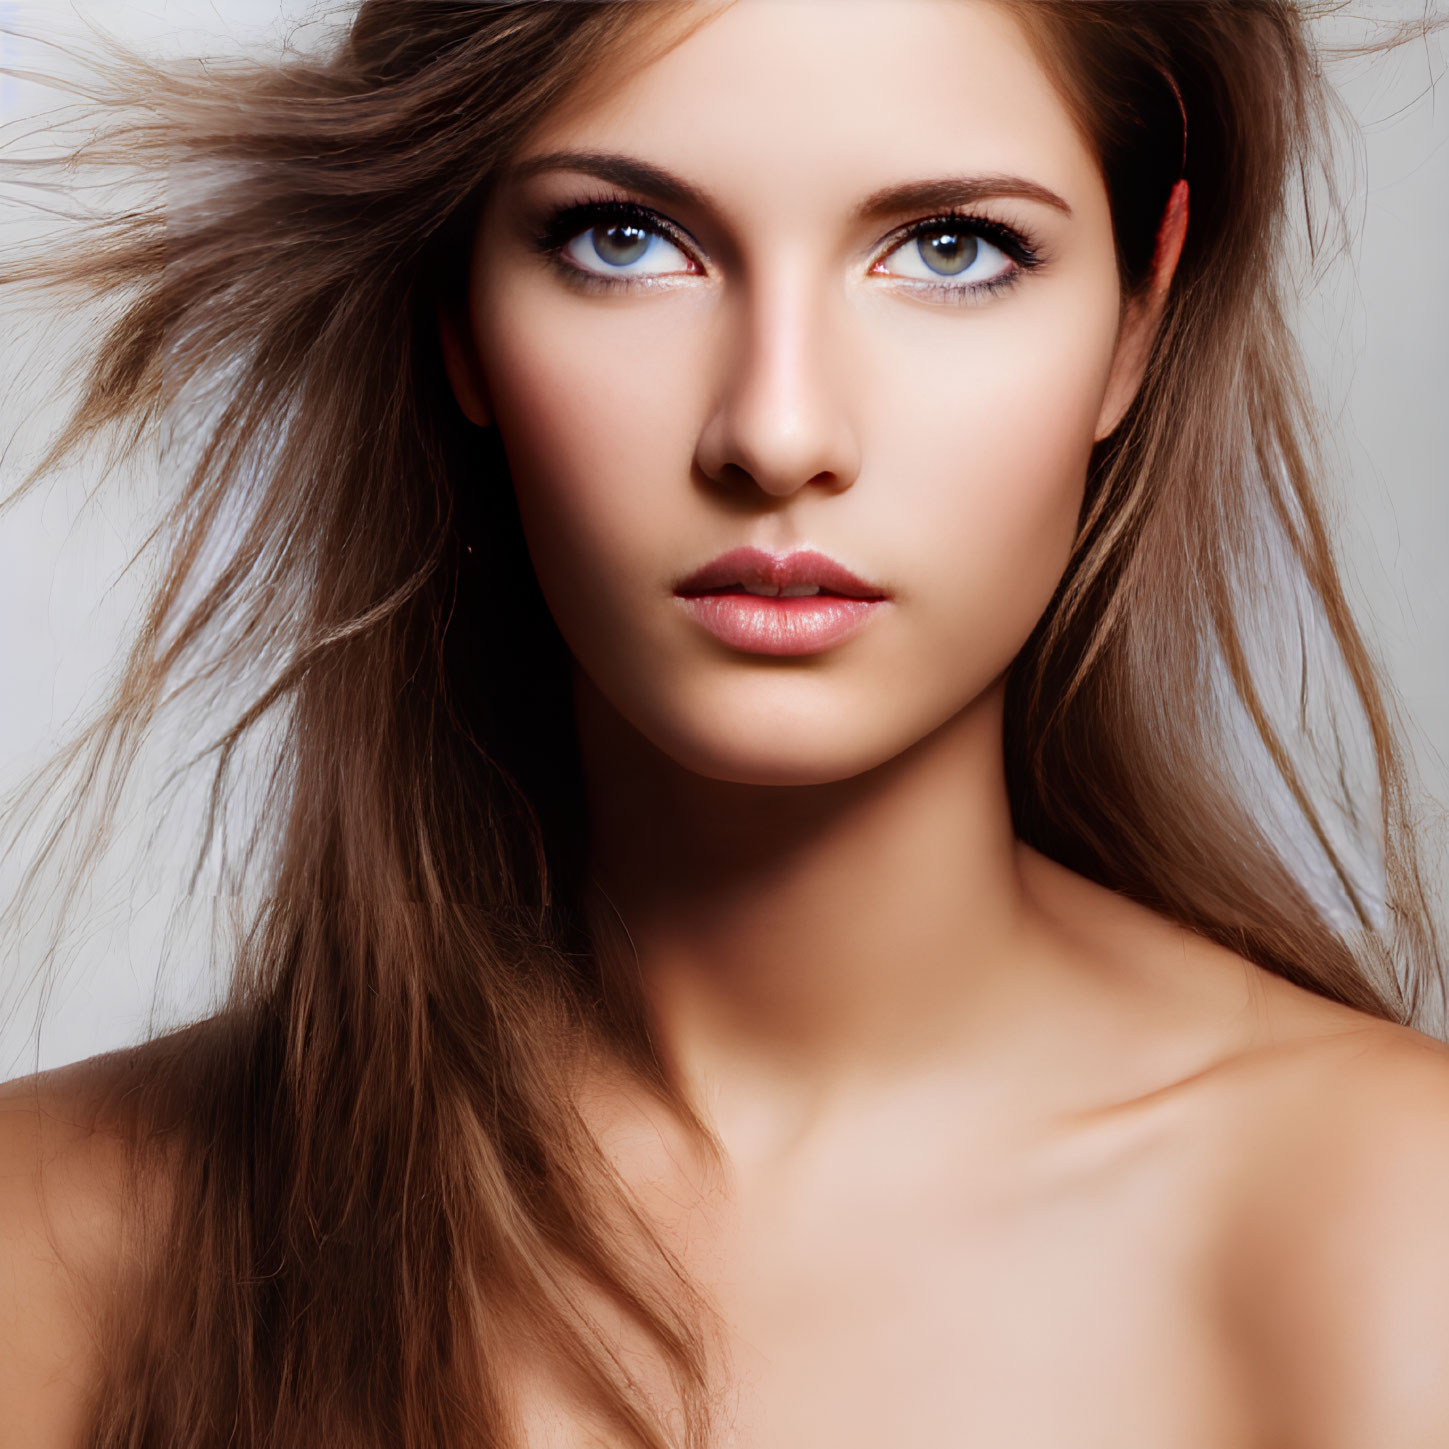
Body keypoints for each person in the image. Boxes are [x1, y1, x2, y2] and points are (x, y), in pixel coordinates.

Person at [0, 1, 1446, 1444]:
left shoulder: (1388, 1223)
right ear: (457, 316)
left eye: (951, 247)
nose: (776, 430)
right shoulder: (55, 1247)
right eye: (623, 237)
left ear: (1139, 311)